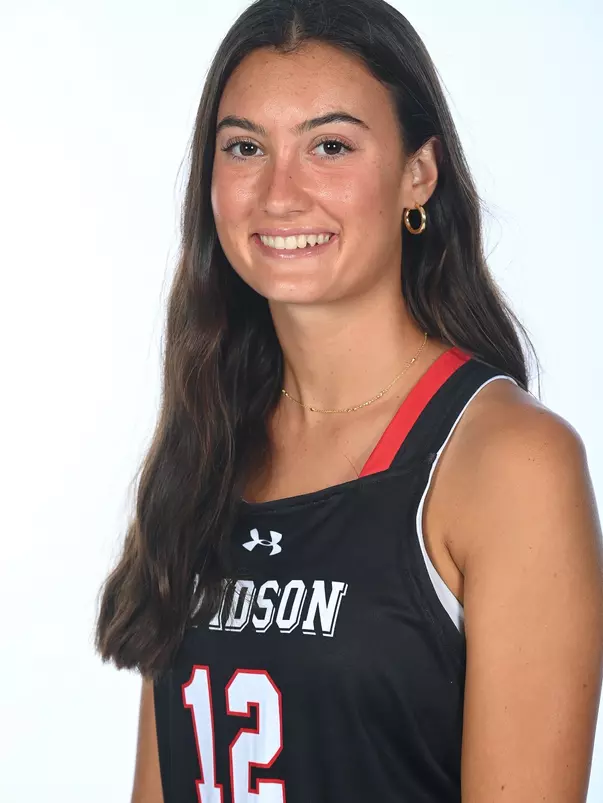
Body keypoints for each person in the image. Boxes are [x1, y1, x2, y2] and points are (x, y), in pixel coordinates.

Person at [94, 1, 603, 801]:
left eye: (329, 146)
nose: (279, 193)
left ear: (417, 174)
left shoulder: (507, 462)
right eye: (244, 147)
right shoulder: (209, 442)